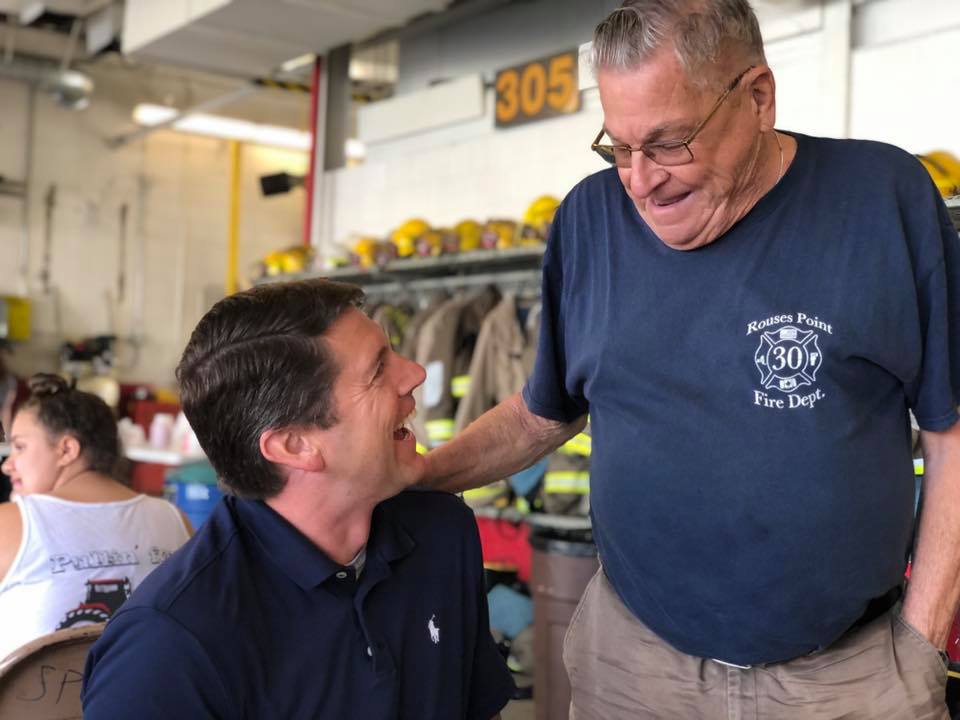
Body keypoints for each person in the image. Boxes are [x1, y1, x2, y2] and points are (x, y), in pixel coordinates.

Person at [420, 1, 960, 718]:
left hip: (847, 677)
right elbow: (541, 414)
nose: (641, 181)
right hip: (634, 668)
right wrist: (417, 477)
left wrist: (920, 643)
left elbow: (952, 427)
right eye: (618, 146)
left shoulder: (883, 201)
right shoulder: (588, 222)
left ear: (758, 97)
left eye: (670, 142)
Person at [82, 279, 514, 720]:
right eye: (378, 369)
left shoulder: (442, 531)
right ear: (294, 445)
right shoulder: (168, 645)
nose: (416, 374)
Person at [0, 374, 191, 660]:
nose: (8, 465)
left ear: (66, 450)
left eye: (20, 447)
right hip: (152, 700)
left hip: (31, 703)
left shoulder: (14, 522)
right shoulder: (174, 519)